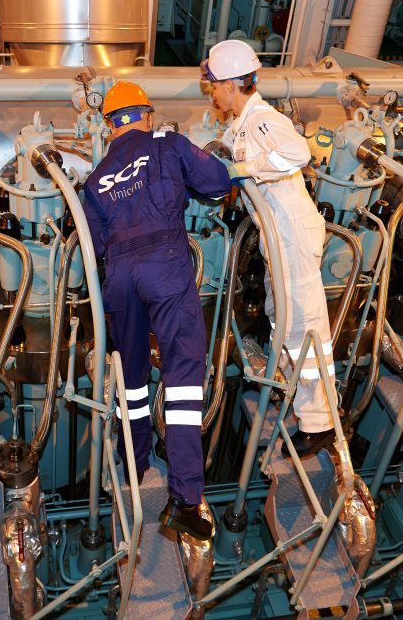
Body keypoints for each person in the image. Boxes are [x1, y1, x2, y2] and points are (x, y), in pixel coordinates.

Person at [82, 81, 232, 540]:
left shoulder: (95, 178)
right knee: (183, 380)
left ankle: (134, 463)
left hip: (119, 277)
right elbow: (218, 183)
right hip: (165, 262)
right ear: (145, 114)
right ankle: (186, 498)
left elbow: (94, 244)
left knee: (131, 381)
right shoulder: (166, 142)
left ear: (109, 125)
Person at [202, 39, 337, 458]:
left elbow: (298, 153)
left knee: (302, 325)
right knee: (285, 318)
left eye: (214, 85)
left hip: (291, 235)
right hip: (276, 236)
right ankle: (296, 392)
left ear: (230, 84)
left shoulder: (263, 119)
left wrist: (245, 169)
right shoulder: (242, 124)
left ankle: (320, 423)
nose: (212, 93)